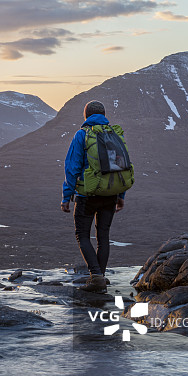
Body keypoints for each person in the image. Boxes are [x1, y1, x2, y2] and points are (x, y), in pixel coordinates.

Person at [60, 100, 125, 293]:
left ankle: (96, 277)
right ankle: (100, 277)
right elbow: (120, 167)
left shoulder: (82, 135)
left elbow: (72, 167)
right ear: (104, 115)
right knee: (103, 235)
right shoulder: (114, 135)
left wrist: (66, 196)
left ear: (85, 115)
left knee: (82, 234)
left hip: (87, 194)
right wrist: (120, 195)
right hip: (110, 194)